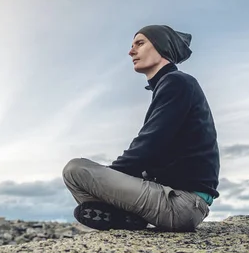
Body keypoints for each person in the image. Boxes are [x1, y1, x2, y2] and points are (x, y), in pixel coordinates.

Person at [62, 25, 220, 232]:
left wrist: (105, 181)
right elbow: (157, 152)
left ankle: (120, 216)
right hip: (177, 200)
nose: (131, 51)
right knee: (86, 177)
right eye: (132, 45)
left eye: (140, 43)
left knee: (75, 171)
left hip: (181, 203)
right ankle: (126, 219)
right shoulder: (172, 85)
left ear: (161, 47)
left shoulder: (176, 82)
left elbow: (149, 143)